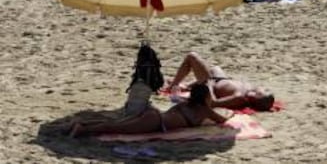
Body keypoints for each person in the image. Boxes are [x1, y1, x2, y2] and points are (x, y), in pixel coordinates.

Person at [69, 83, 231, 137]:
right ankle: (81, 130)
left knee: (116, 123)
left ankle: (83, 124)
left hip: (154, 115)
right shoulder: (205, 110)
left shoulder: (185, 104)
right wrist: (227, 112)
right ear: (205, 98)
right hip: (156, 121)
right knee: (117, 127)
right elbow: (222, 120)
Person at [166, 52, 275, 111]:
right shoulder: (249, 89)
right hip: (220, 80)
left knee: (192, 56)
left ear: (256, 96)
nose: (262, 87)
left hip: (211, 86)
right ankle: (186, 85)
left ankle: (173, 85)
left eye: (263, 91)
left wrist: (209, 85)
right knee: (215, 69)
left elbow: (213, 103)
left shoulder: (239, 97)